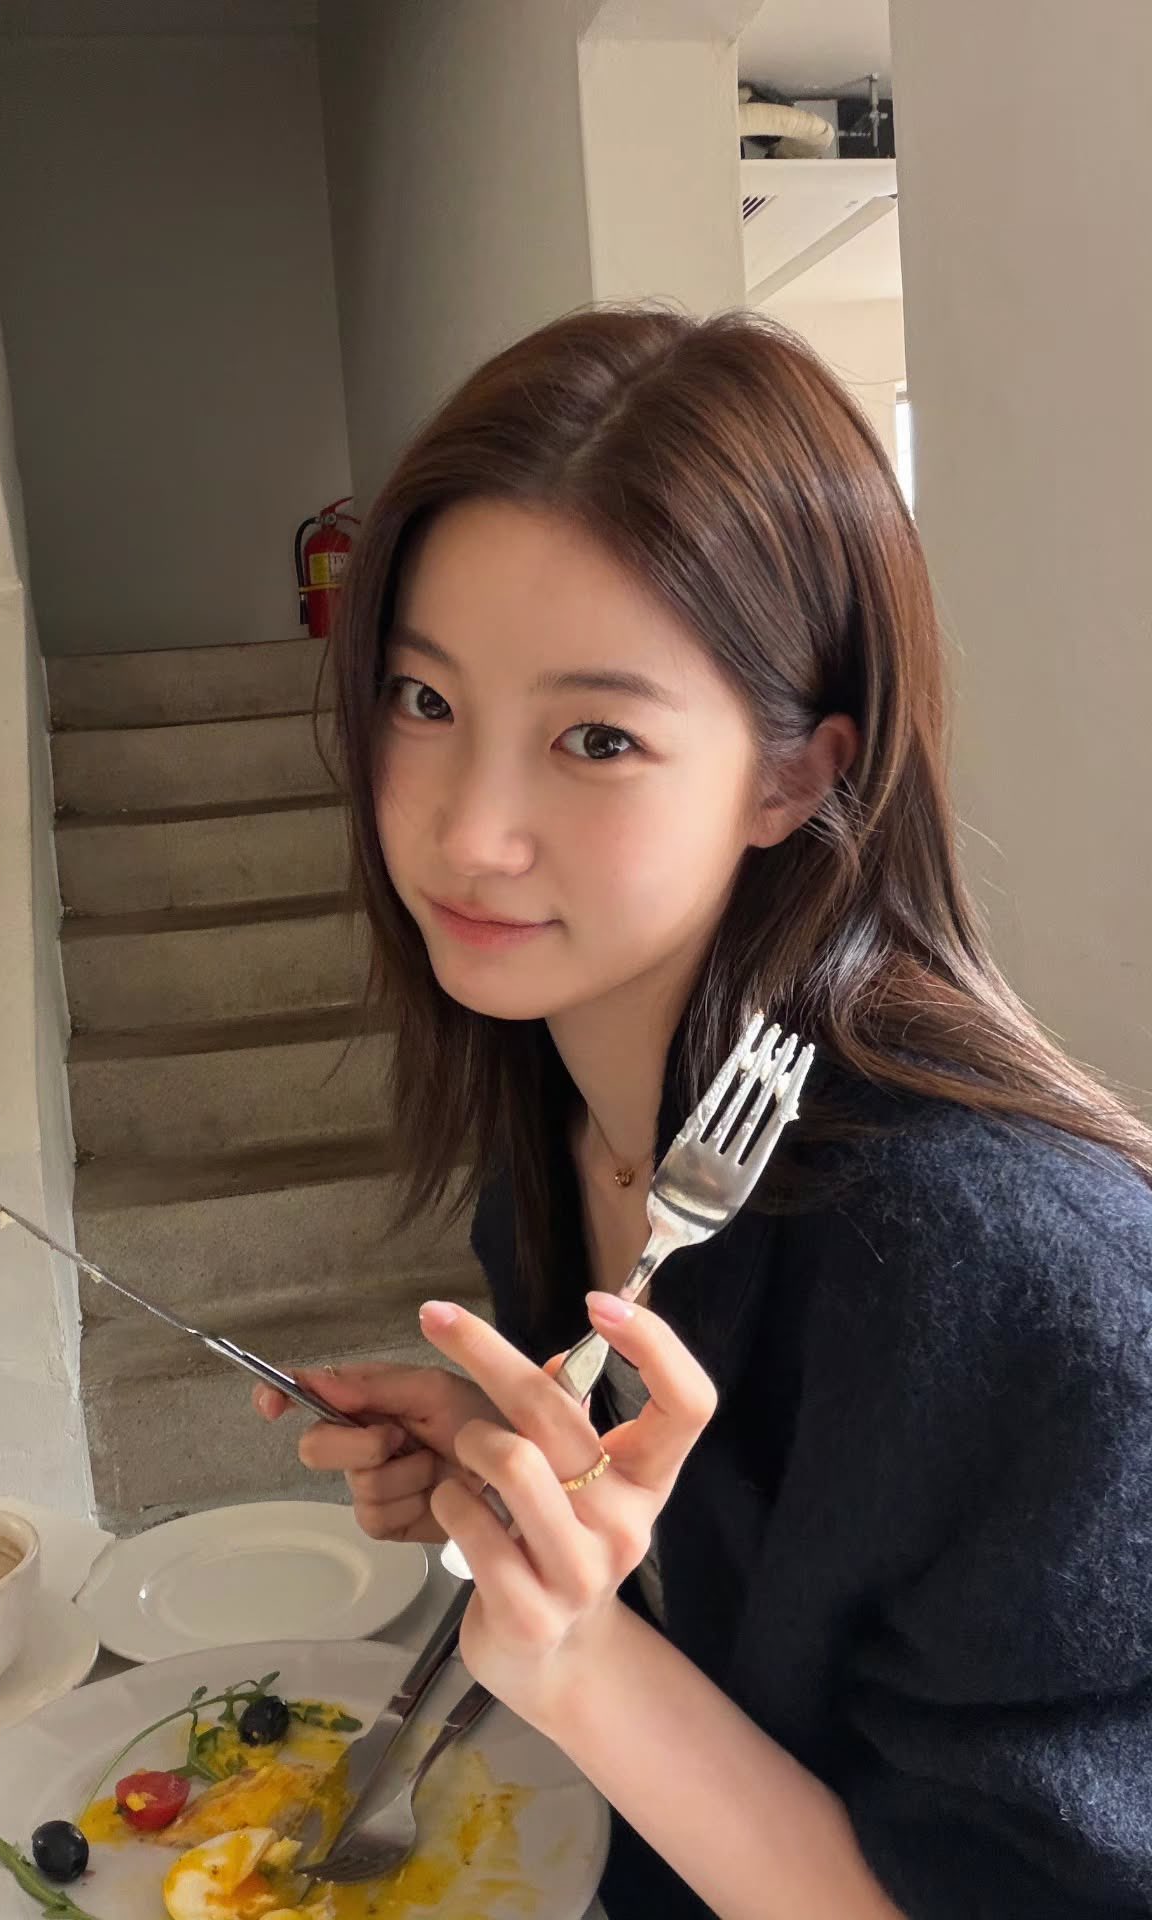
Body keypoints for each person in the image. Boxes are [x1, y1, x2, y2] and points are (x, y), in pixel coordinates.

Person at [252, 306, 1152, 1918]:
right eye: (424, 700)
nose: (470, 831)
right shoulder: (560, 1124)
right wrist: (519, 1483)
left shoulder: (1032, 1288)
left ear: (793, 777)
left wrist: (578, 1657)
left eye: (597, 737)